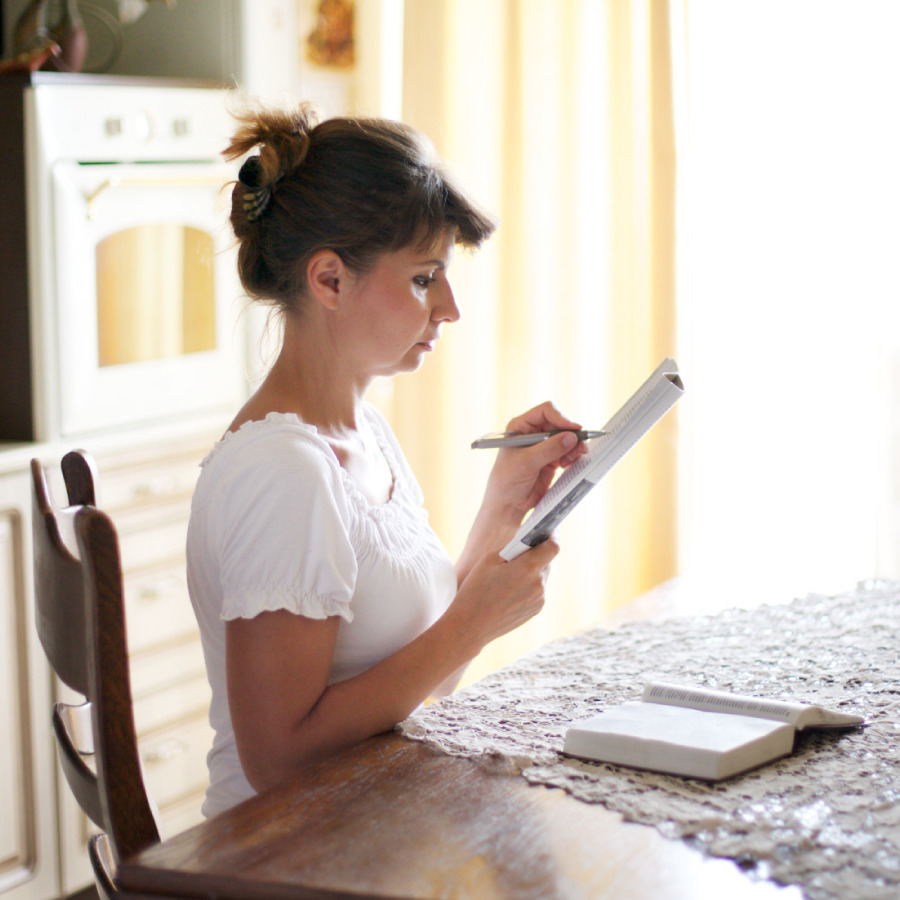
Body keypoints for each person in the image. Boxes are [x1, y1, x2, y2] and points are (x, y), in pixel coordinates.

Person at [186, 98, 589, 817]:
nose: (451, 307)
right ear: (329, 280)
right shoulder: (286, 474)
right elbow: (278, 760)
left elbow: (416, 681)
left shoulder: (365, 433)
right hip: (280, 858)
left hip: (366, 815)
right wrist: (474, 622)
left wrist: (503, 508)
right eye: (423, 278)